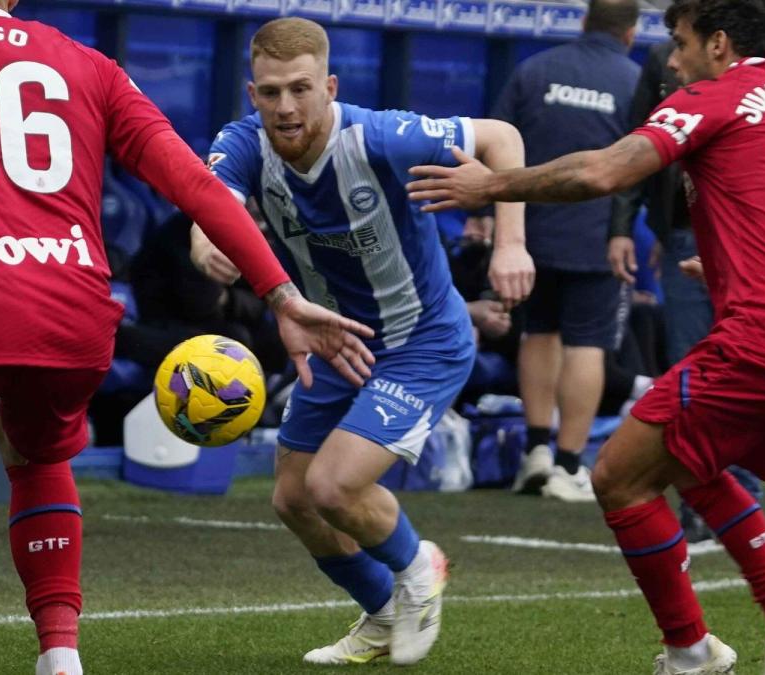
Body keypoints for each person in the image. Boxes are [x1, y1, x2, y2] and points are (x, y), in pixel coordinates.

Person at [0, 3, 375, 674]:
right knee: (35, 449)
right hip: (73, 319)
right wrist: (282, 294)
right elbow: (195, 185)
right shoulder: (88, 64)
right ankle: (61, 655)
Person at [408, 0, 765, 672]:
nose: (670, 61)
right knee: (689, 462)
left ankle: (688, 651)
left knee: (618, 475)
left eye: (679, 43)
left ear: (719, 44)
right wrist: (739, 260)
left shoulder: (717, 94)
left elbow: (602, 172)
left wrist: (492, 184)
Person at [190, 17, 533, 665]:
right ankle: (381, 611)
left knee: (333, 487)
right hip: (333, 340)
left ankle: (419, 568)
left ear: (330, 85)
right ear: (251, 92)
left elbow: (504, 138)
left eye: (300, 88)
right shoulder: (241, 143)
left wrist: (510, 240)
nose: (285, 107)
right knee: (293, 498)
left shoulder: (380, 136)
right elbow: (213, 205)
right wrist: (205, 239)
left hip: (422, 339)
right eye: (269, 92)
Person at [607, 32, 765, 543]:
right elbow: (638, 140)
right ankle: (705, 501)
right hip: (688, 232)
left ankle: (739, 499)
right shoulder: (670, 52)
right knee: (692, 365)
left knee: (751, 371)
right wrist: (626, 226)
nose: (680, 60)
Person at [490, 0, 642, 501]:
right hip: (598, 240)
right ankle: (569, 466)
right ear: (631, 32)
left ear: (584, 21)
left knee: (538, 332)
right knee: (586, 346)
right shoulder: (634, 81)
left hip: (532, 236)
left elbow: (495, 145)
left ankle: (536, 449)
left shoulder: (534, 71)